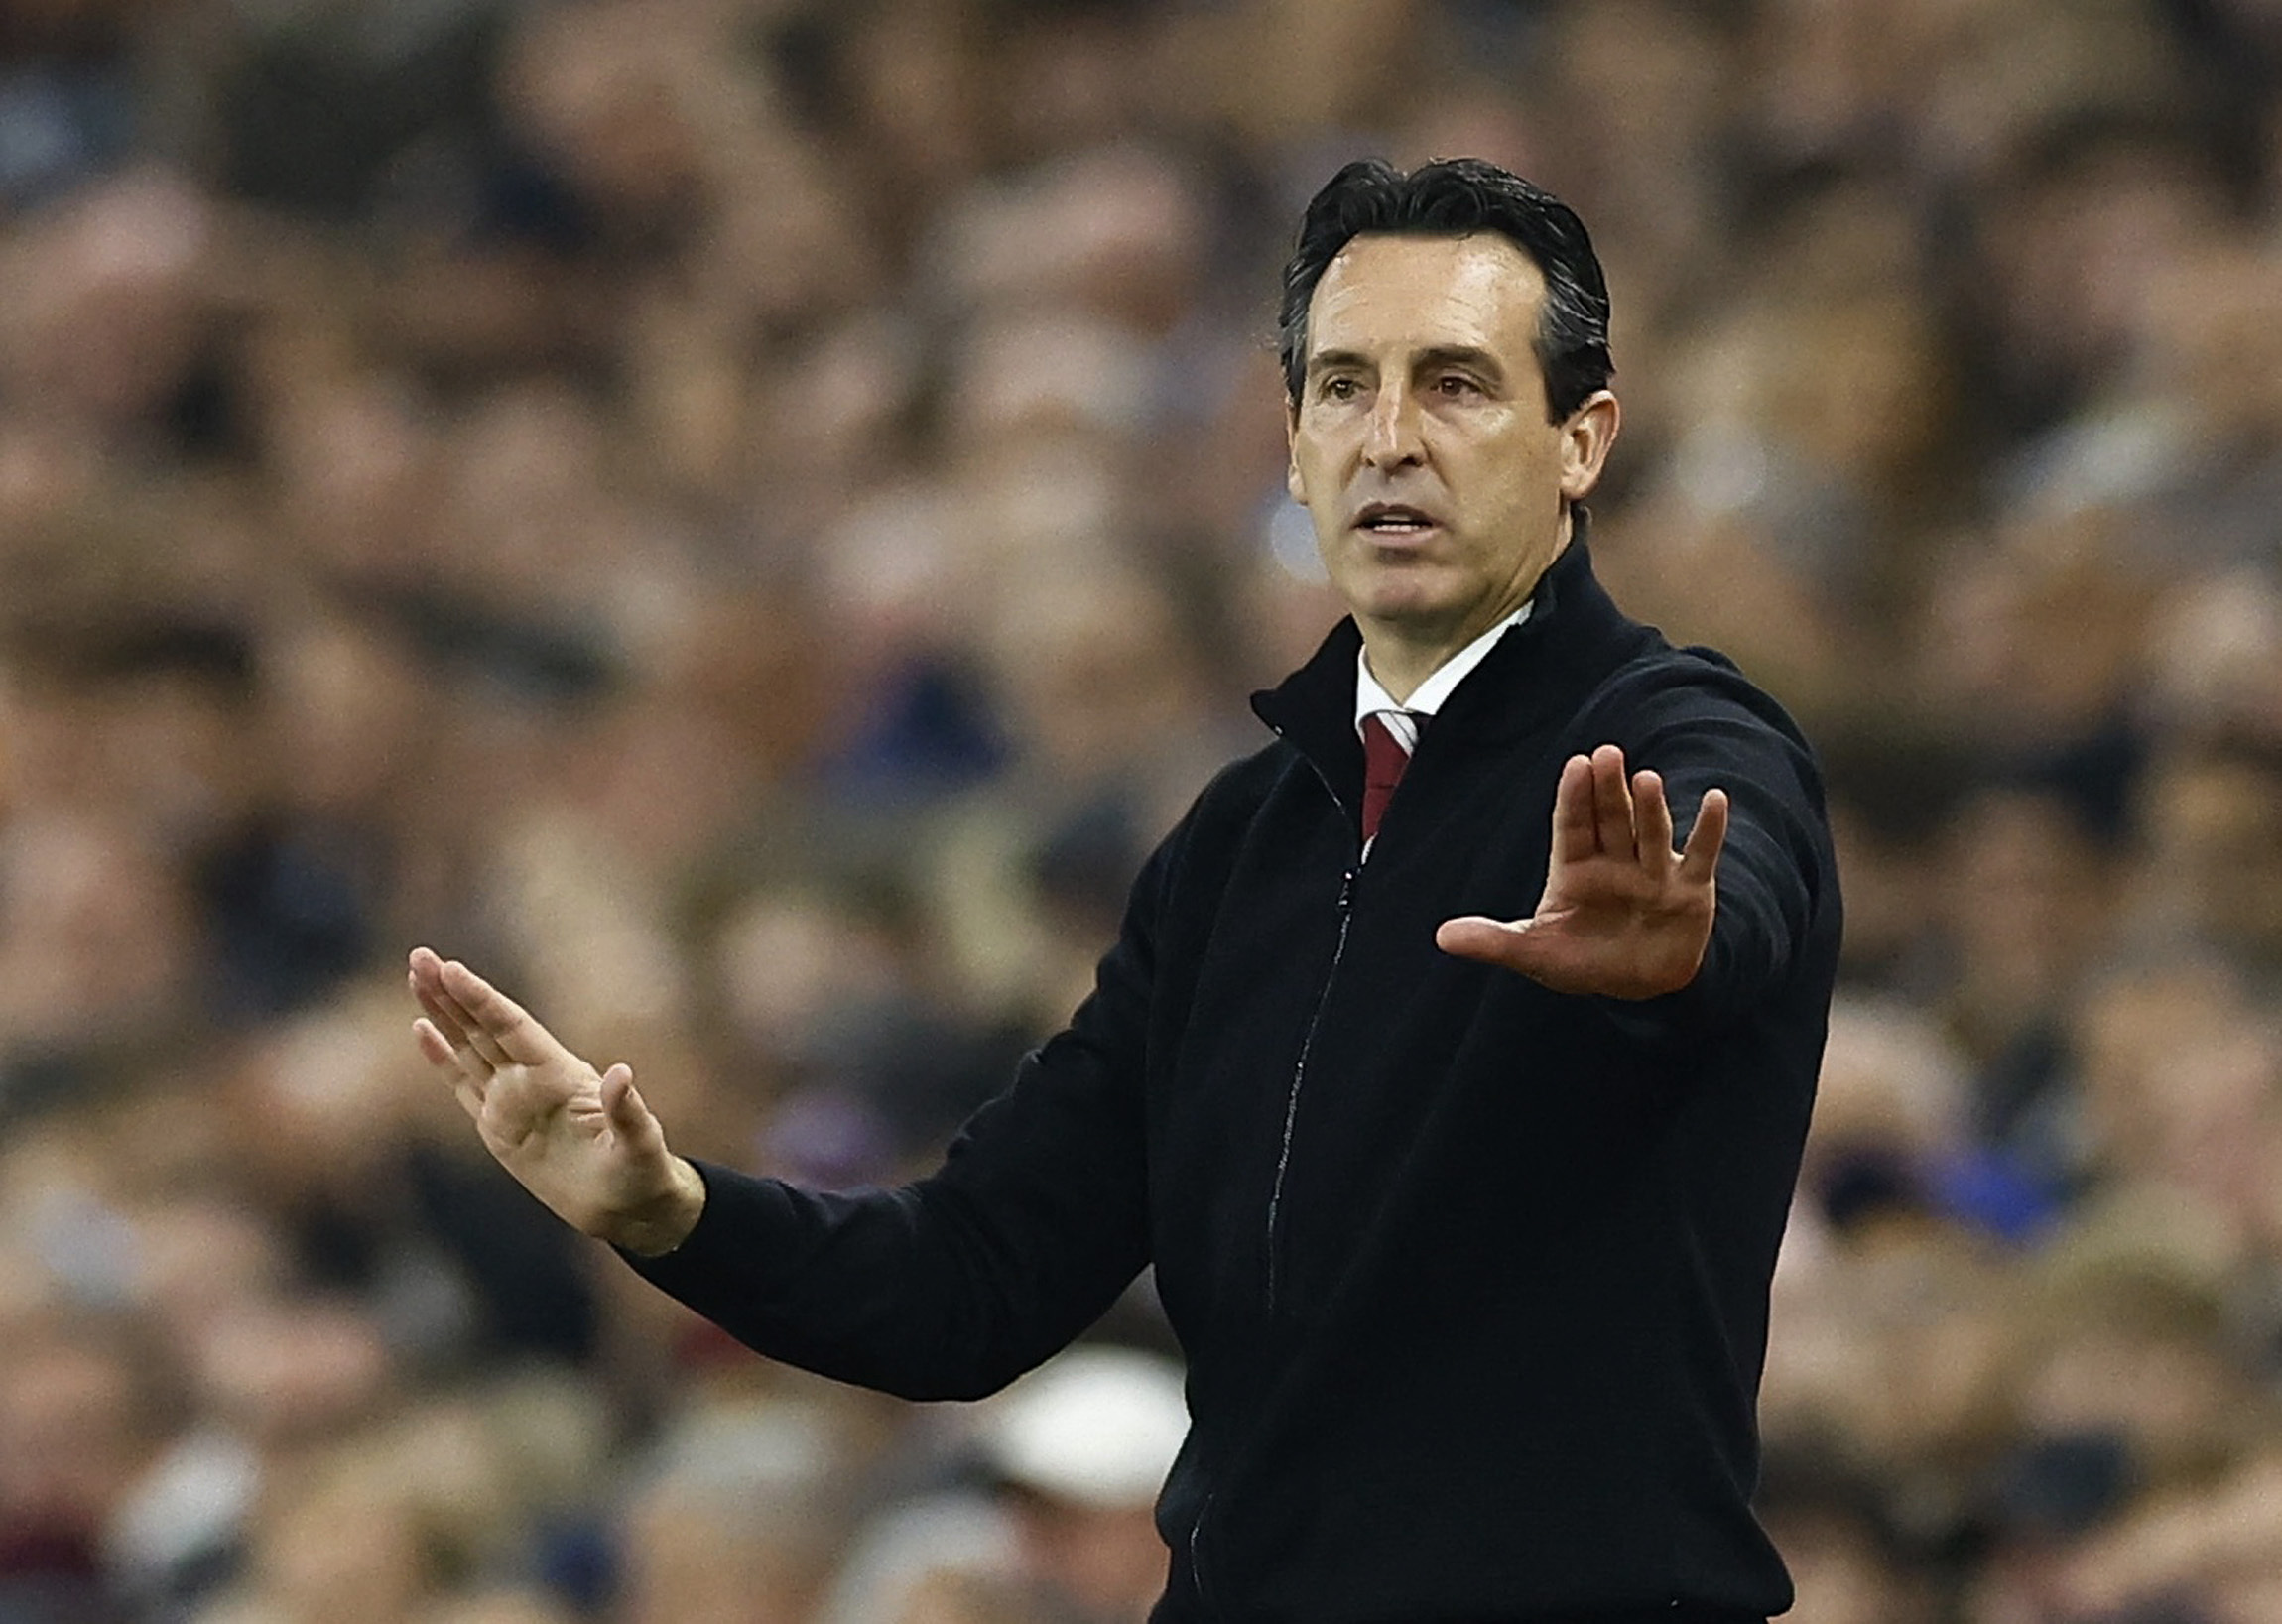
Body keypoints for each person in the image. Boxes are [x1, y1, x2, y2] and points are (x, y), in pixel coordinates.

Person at [409, 158, 1842, 1623]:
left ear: (1580, 441)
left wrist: (1685, 953)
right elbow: (975, 1278)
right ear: (1290, 444)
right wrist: (668, 1206)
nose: (1390, 438)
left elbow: (1750, 882)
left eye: (1458, 384)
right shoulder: (1238, 848)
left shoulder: (1677, 741)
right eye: (1343, 386)